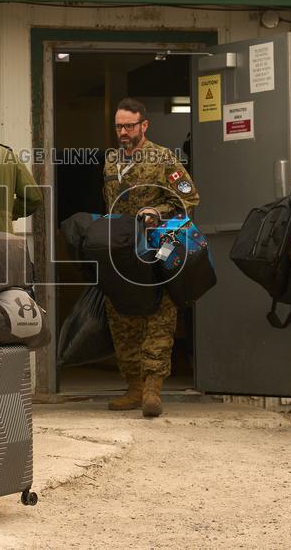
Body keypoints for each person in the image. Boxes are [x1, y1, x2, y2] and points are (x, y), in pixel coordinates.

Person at [102, 98, 198, 418]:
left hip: (156, 247)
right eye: (119, 126)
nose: (123, 132)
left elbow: (189, 198)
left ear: (144, 125)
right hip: (122, 249)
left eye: (129, 125)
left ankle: (152, 389)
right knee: (121, 314)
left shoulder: (163, 159)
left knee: (158, 313)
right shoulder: (112, 160)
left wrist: (157, 212)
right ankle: (132, 386)